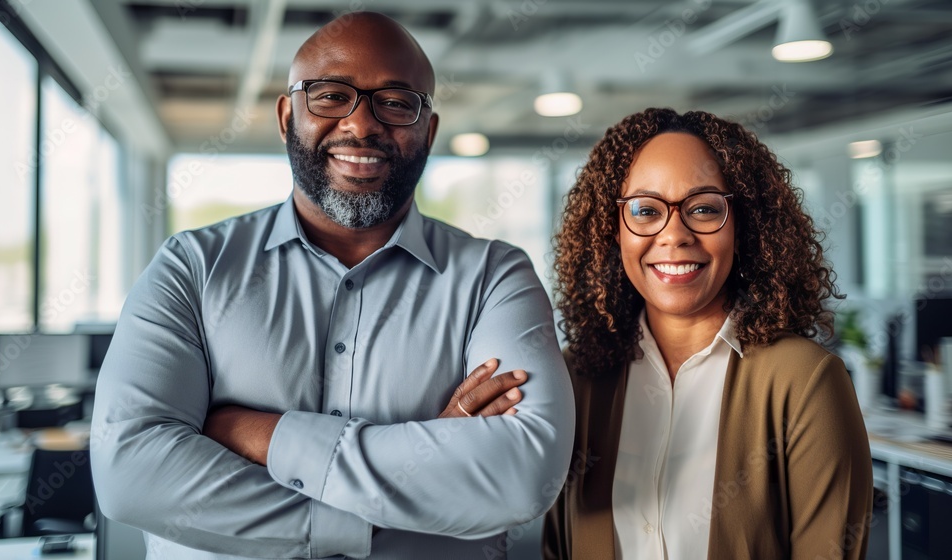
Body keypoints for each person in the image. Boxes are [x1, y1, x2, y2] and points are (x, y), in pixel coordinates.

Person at [91, 12, 574, 559]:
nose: (361, 125)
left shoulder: (495, 277)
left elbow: (521, 475)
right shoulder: (191, 267)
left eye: (395, 101)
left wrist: (258, 433)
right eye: (329, 95)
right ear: (285, 115)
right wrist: (416, 486)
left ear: (429, 129)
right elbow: (129, 472)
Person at [542, 108, 873, 559]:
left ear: (743, 226)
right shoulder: (577, 378)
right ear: (611, 230)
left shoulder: (806, 381)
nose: (674, 234)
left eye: (703, 208)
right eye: (645, 210)